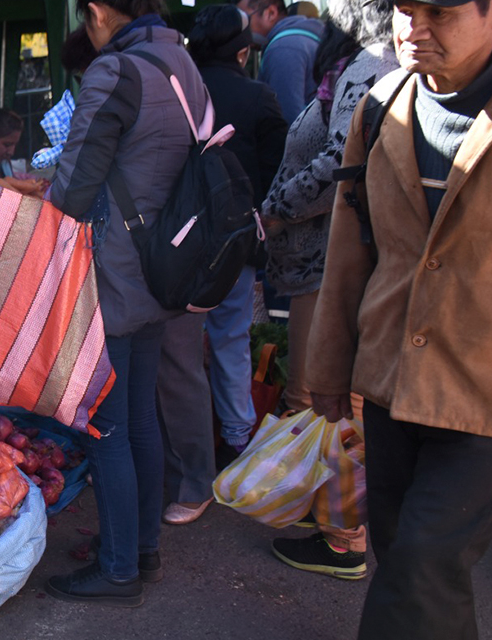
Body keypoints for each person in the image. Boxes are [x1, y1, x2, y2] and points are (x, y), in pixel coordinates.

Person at [309, 0, 492, 630]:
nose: (414, 30)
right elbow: (350, 248)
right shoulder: (382, 104)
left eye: (438, 12)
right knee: (407, 565)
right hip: (390, 382)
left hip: (480, 398)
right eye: (404, 11)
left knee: (423, 561)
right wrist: (329, 367)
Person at [44, 0, 211, 606]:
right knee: (140, 416)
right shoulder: (179, 60)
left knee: (106, 425)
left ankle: (118, 570)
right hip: (161, 263)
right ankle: (141, 550)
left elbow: (73, 187)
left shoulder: (114, 71)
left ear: (96, 9)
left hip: (113, 269)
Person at [262, 0, 397, 580]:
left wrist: (275, 210)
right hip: (326, 258)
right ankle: (335, 525)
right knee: (332, 398)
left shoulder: (366, 68)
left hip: (328, 260)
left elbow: (338, 167)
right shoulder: (365, 67)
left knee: (330, 398)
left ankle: (344, 537)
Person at [157, 4, 288, 526]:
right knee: (232, 339)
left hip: (180, 245)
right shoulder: (258, 96)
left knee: (180, 353)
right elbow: (279, 172)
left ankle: (190, 457)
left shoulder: (177, 87)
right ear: (242, 51)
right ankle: (237, 439)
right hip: (236, 243)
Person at [236, 0, 325, 121]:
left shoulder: (282, 48)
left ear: (271, 13)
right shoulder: (304, 38)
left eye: (245, 20)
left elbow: (288, 121)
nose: (241, 29)